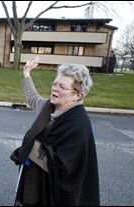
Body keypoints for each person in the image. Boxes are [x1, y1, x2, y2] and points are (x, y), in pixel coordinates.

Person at [10, 59, 100, 206]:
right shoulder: (51, 108)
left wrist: (30, 146)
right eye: (54, 84)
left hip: (53, 195)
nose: (55, 89)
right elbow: (33, 98)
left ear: (78, 95)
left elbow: (64, 170)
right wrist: (26, 73)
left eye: (62, 87)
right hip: (37, 183)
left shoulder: (77, 124)